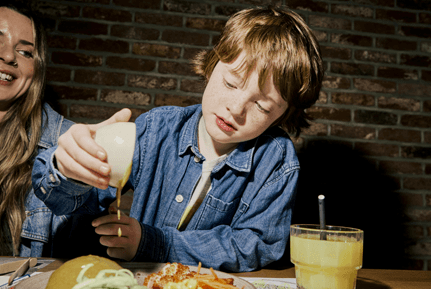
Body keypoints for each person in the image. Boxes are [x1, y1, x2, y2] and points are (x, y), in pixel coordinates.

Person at [32, 6, 324, 271]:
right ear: (211, 66)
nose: (236, 109)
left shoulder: (277, 160)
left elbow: (257, 245)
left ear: (282, 116)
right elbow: (71, 202)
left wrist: (155, 243)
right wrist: (70, 171)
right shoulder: (159, 127)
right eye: (231, 83)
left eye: (262, 106)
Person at [0, 0, 129, 257]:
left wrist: (70, 175)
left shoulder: (66, 143)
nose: (7, 56)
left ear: (35, 71)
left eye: (26, 52)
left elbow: (90, 214)